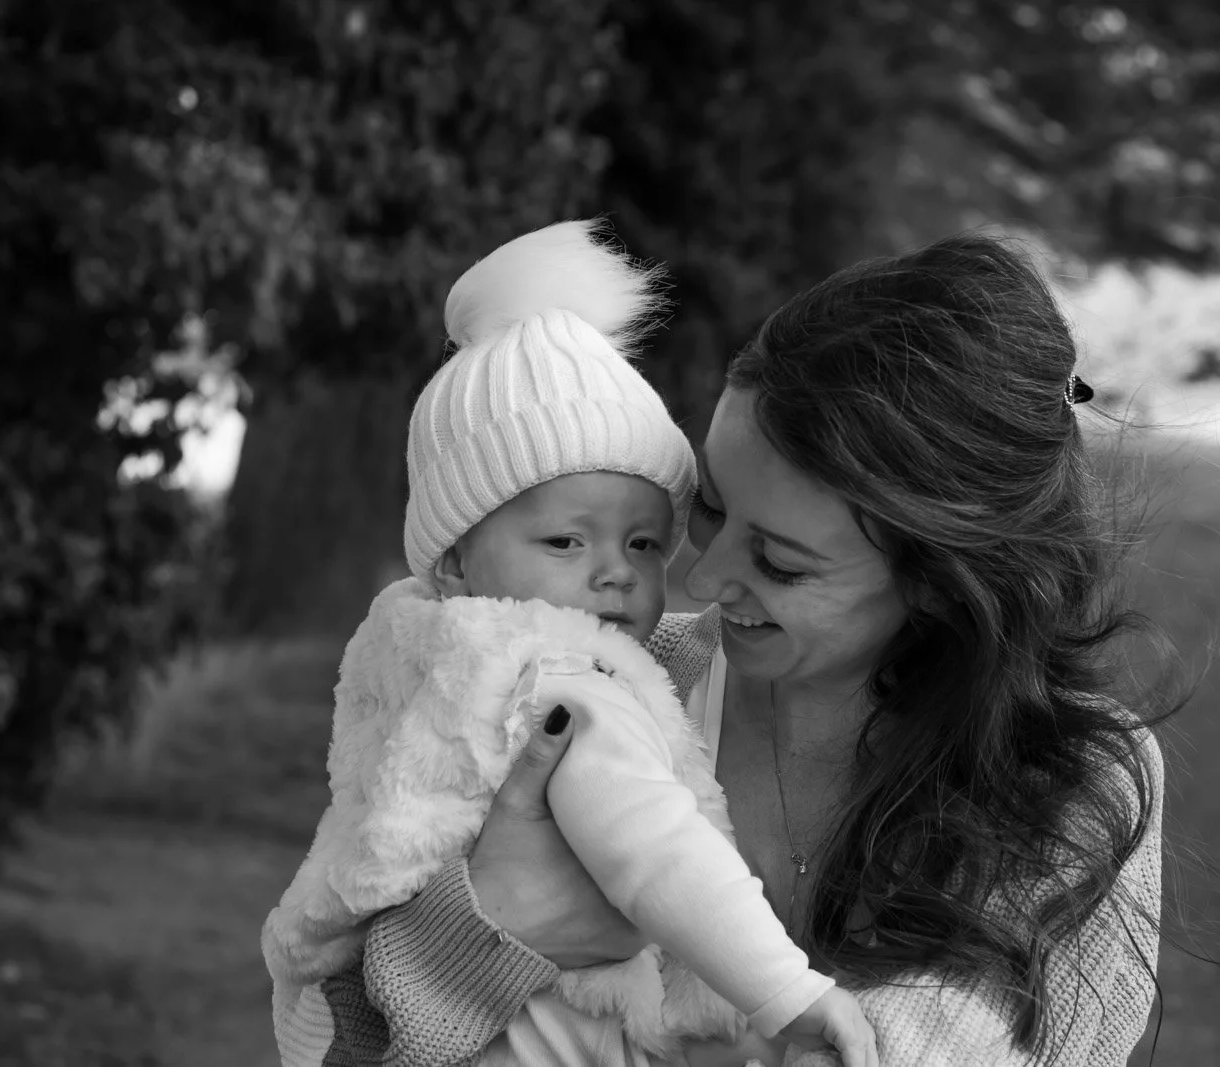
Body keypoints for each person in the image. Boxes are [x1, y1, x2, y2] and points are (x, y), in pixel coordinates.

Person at [280, 231, 1166, 1067]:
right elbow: (332, 1032)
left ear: (938, 580)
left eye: (779, 560)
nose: (702, 578)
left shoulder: (1067, 783)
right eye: (707, 508)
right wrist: (485, 928)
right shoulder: (591, 683)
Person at [261, 221, 878, 1067]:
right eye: (565, 543)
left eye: (644, 543)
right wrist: (791, 991)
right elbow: (657, 848)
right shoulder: (558, 677)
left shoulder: (415, 650)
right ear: (454, 560)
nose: (616, 576)